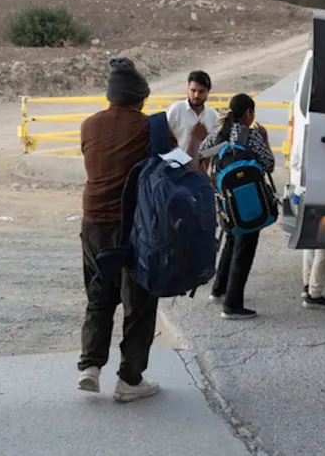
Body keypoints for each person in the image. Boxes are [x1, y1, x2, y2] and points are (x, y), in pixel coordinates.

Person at [77, 57, 171, 402]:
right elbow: (173, 169)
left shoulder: (88, 125)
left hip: (93, 224)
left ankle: (90, 367)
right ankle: (130, 380)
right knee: (139, 302)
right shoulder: (151, 127)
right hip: (136, 227)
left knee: (99, 296)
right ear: (139, 98)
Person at [198, 93, 274, 320]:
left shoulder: (220, 133)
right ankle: (232, 305)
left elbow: (201, 152)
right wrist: (264, 140)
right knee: (245, 248)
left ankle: (219, 289)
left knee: (231, 240)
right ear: (248, 113)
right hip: (249, 201)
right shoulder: (251, 136)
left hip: (225, 200)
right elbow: (269, 164)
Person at [166, 70, 220, 160]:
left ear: (208, 91)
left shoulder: (213, 115)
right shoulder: (176, 110)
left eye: (201, 91)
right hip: (176, 166)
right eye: (193, 90)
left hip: (200, 168)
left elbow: (213, 147)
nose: (196, 95)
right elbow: (163, 138)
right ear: (187, 88)